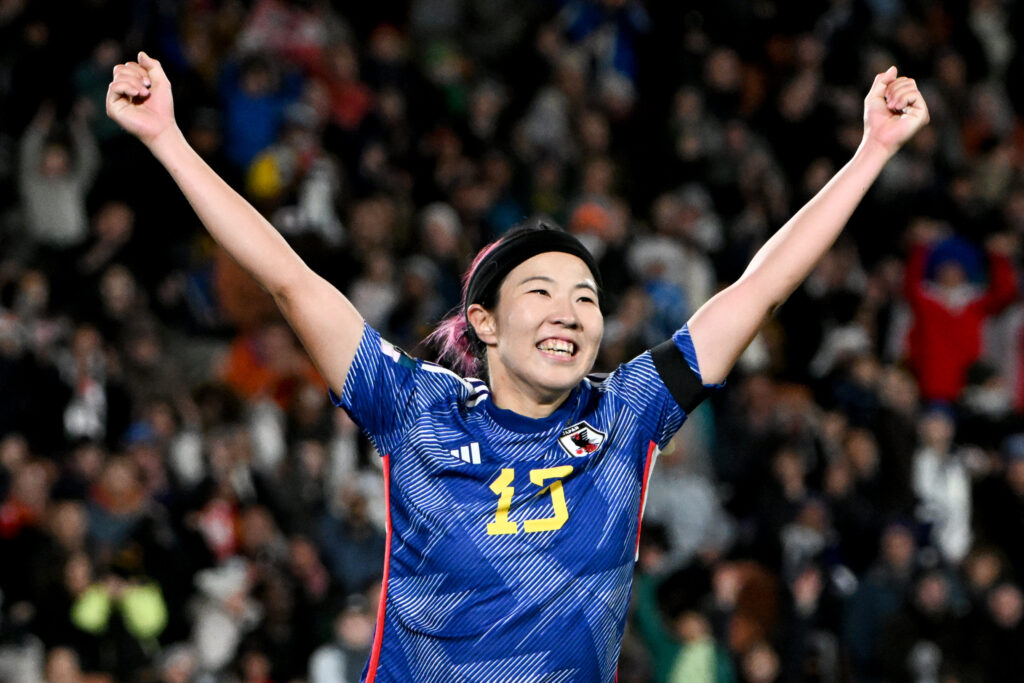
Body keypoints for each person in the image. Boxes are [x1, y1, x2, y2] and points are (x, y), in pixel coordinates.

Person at [107, 52, 929, 682]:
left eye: (587, 297)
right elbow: (289, 281)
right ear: (484, 323)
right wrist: (168, 140)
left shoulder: (627, 414)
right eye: (542, 290)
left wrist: (871, 153)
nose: (570, 311)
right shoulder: (413, 409)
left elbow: (762, 289)